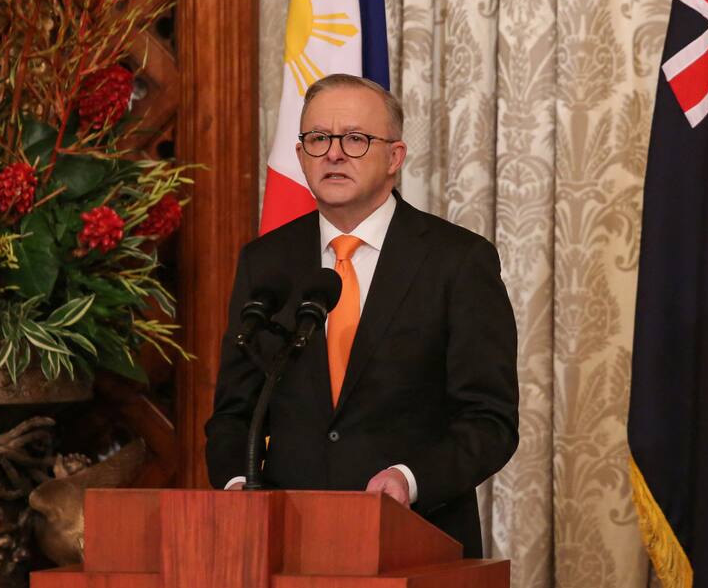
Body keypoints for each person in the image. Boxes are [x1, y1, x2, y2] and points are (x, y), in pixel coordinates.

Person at [204, 74, 519, 558]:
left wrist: (409, 479)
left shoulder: (457, 261)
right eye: (318, 139)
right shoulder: (266, 261)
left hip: (417, 541)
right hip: (286, 546)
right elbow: (233, 412)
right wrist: (236, 490)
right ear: (302, 154)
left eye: (355, 138)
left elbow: (489, 420)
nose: (333, 153)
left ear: (394, 157)